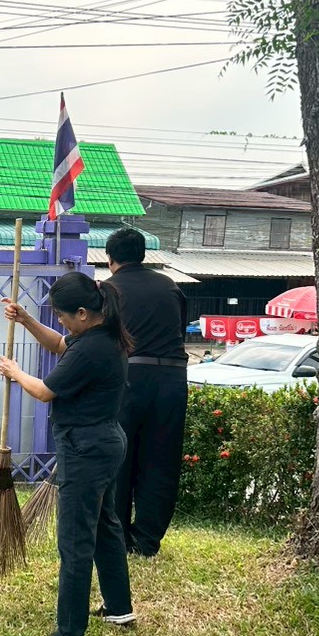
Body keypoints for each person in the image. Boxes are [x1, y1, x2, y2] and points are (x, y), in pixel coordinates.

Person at [0, 271, 134, 636]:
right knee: (104, 525)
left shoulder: (92, 348)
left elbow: (45, 391)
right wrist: (26, 320)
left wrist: (15, 372)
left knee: (75, 539)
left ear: (82, 313)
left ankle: (70, 635)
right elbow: (60, 344)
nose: (60, 322)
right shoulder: (100, 336)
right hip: (104, 442)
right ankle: (118, 607)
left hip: (85, 447)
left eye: (61, 315)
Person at [102, 226, 189, 557]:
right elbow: (179, 332)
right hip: (172, 379)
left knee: (120, 456)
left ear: (110, 258)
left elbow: (102, 340)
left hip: (128, 376)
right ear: (143, 255)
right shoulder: (170, 286)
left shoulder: (108, 290)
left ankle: (119, 536)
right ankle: (148, 539)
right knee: (161, 458)